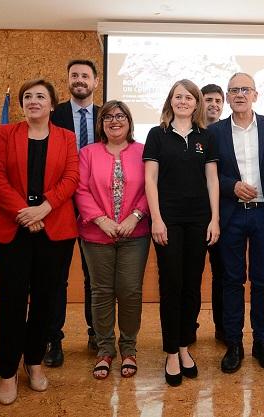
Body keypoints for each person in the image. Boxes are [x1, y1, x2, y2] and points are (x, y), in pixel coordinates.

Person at [0, 79, 79, 405]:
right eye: (28, 97)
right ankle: (8, 371)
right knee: (12, 301)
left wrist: (45, 206)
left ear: (52, 105)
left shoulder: (66, 137)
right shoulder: (5, 134)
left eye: (41, 96)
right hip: (14, 229)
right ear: (22, 104)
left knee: (45, 301)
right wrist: (24, 212)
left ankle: (35, 362)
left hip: (55, 228)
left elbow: (71, 177)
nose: (33, 101)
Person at [143, 79, 220, 386]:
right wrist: (156, 219)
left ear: (196, 102)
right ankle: (171, 351)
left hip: (200, 220)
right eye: (178, 96)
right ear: (170, 101)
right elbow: (150, 180)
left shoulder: (206, 136)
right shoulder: (157, 135)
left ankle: (186, 346)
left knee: (192, 285)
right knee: (171, 283)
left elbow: (212, 180)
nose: (184, 101)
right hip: (168, 221)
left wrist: (215, 219)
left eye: (189, 97)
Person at [209, 73, 264, 373]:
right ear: (227, 97)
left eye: (245, 89)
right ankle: (234, 343)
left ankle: (262, 342)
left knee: (262, 280)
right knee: (232, 280)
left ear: (255, 95)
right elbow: (210, 174)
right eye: (234, 90)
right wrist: (232, 186)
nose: (239, 94)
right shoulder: (214, 132)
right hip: (232, 214)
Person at [75, 100, 150, 380]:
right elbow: (80, 190)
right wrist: (100, 220)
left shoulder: (143, 152)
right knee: (101, 292)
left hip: (135, 233)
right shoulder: (87, 153)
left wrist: (134, 216)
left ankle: (128, 348)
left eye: (120, 116)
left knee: (130, 291)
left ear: (129, 121)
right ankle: (105, 349)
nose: (114, 121)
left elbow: (150, 187)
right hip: (96, 235)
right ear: (101, 123)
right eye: (108, 117)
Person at [46, 59, 100, 366]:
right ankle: (54, 338)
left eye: (85, 76)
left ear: (95, 81)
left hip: (97, 206)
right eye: (74, 75)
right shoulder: (55, 115)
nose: (79, 80)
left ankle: (97, 332)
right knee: (57, 277)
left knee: (95, 276)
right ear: (68, 81)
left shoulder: (107, 115)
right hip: (60, 205)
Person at [201, 83, 226, 341]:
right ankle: (190, 326)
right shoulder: (192, 132)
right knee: (192, 273)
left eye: (218, 100)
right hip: (193, 215)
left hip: (221, 216)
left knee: (222, 273)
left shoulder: (226, 134)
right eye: (209, 99)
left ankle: (222, 328)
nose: (214, 104)